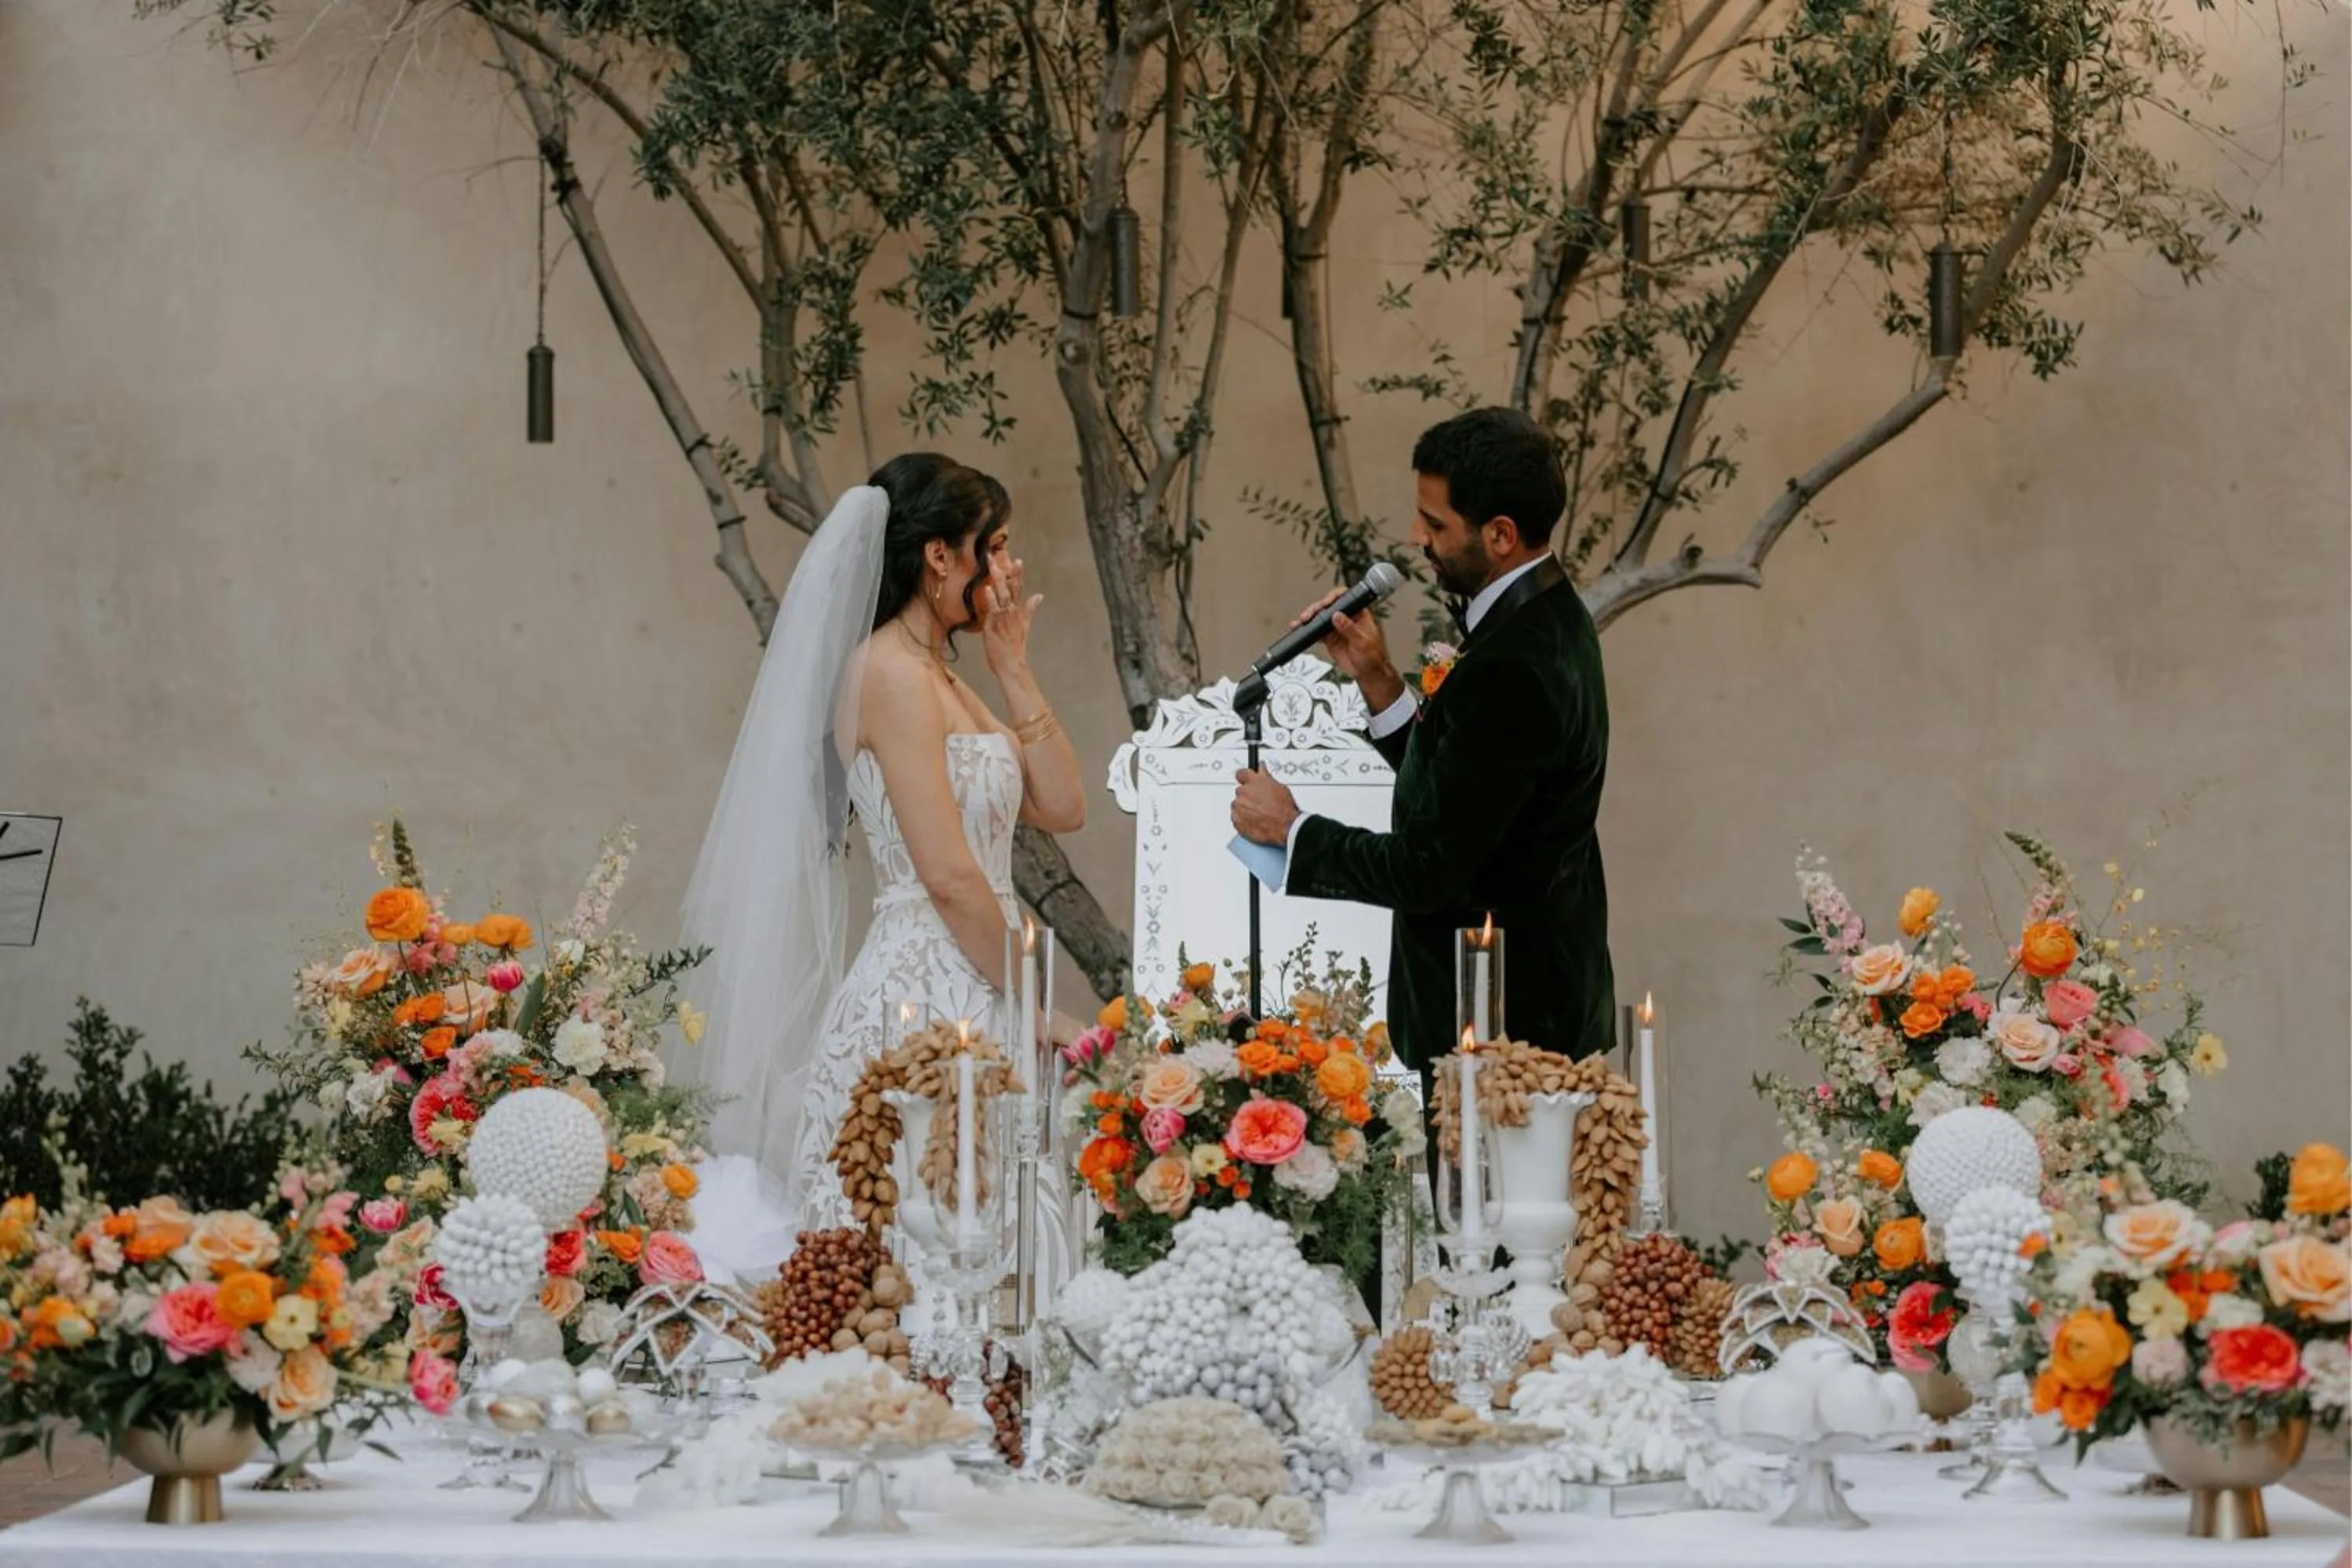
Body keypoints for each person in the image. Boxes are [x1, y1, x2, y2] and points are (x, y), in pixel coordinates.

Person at [681, 454, 1086, 1263]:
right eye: (995, 545)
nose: (1008, 569)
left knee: (999, 1239)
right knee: (924, 1236)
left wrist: (1013, 668)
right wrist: (1031, 999)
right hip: (924, 985)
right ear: (941, 555)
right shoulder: (887, 674)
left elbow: (1064, 804)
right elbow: (947, 874)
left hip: (982, 970)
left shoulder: (947, 676)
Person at [1230, 407, 1614, 1095]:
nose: (1416, 540)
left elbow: (1429, 869)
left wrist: (1293, 832)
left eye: (1435, 524)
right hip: (1523, 1014)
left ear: (1499, 534)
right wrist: (1379, 682)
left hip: (1503, 1035)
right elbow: (1475, 800)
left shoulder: (1511, 664)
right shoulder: (1547, 617)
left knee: (1484, 1209)